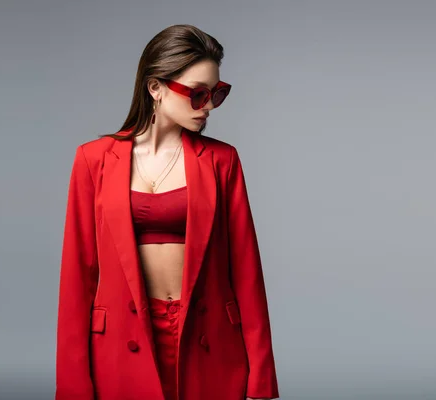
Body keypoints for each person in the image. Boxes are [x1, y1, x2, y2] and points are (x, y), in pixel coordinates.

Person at [55, 24, 279, 400]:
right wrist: (74, 386)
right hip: (120, 341)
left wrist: (261, 379)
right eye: (197, 94)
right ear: (155, 87)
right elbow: (78, 278)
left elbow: (246, 271)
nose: (208, 106)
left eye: (216, 94)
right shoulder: (93, 161)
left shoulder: (222, 161)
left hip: (207, 338)